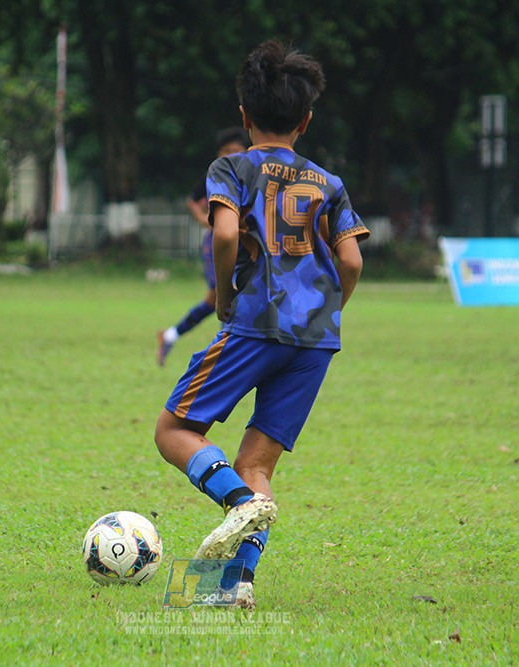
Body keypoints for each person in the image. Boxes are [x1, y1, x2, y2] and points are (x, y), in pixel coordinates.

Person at [153, 41, 368, 609]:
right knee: (256, 465)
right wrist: (330, 310)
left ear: (244, 116)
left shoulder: (231, 167)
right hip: (316, 340)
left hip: (254, 325)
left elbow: (225, 235)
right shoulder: (330, 182)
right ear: (306, 120)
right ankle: (233, 587)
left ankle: (237, 503)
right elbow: (351, 261)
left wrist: (224, 296)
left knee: (174, 431)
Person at [157, 127, 250, 366]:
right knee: (223, 294)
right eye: (225, 151)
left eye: (235, 150)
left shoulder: (251, 177)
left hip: (242, 242)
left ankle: (170, 335)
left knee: (218, 298)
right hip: (216, 241)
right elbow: (192, 200)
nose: (230, 155)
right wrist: (202, 217)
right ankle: (226, 351)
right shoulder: (215, 176)